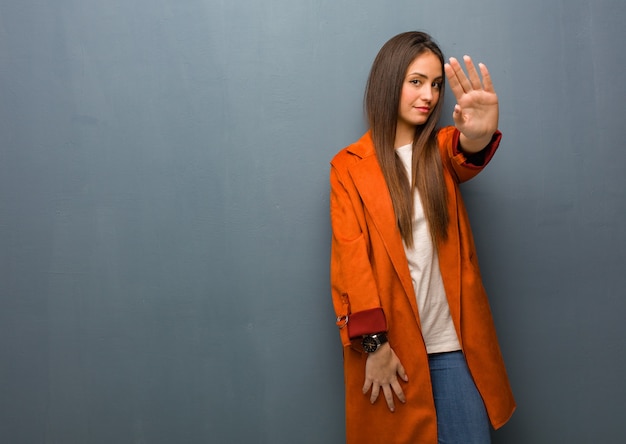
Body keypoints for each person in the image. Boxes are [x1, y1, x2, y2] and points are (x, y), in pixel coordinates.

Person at [329, 31, 516, 444]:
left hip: (454, 349)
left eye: (435, 84)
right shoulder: (349, 167)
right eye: (416, 81)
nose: (429, 95)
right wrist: (374, 347)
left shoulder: (441, 150)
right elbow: (350, 262)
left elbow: (467, 152)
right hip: (392, 355)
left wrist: (481, 133)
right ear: (389, 81)